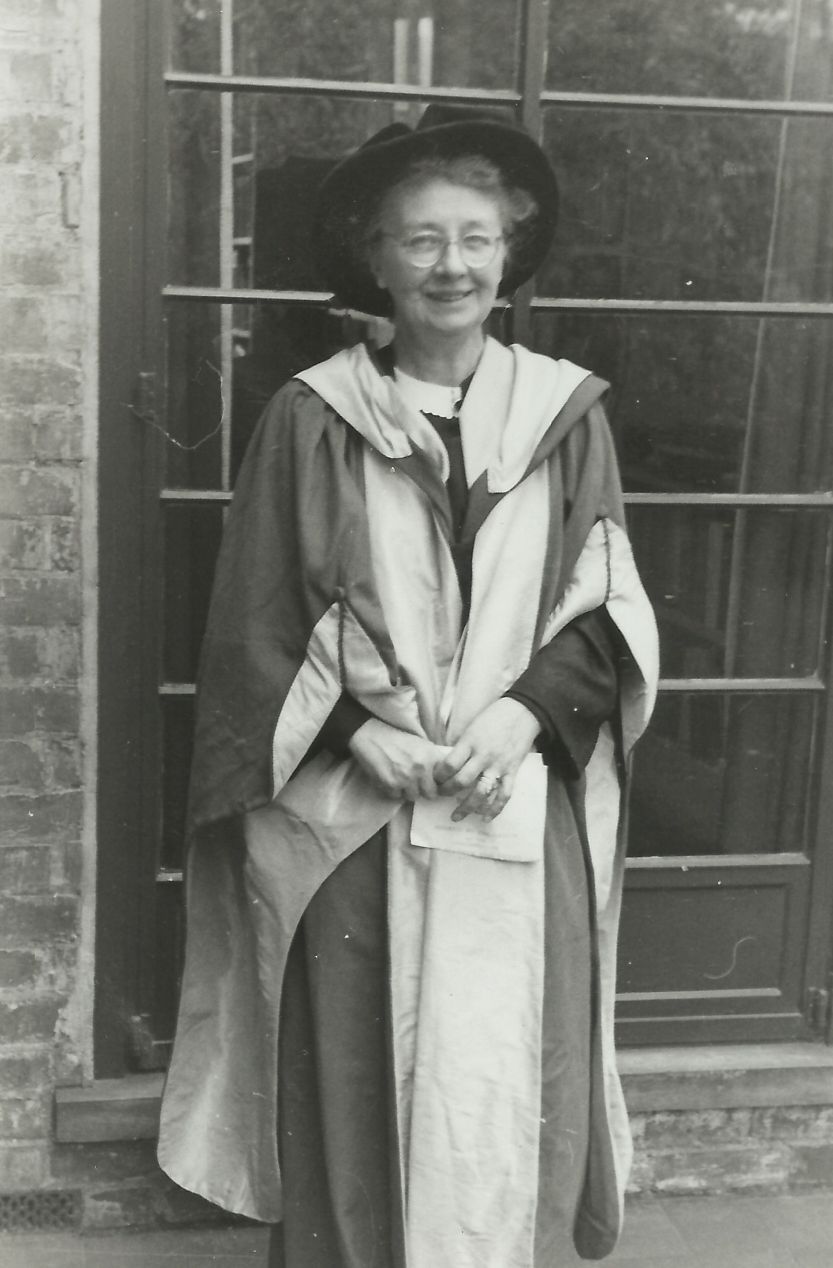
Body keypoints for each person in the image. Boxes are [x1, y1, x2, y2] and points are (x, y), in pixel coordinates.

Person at [157, 104, 659, 1268]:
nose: (451, 265)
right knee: (352, 1059)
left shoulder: (566, 416)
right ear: (376, 258)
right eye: (421, 238)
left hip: (505, 796)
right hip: (357, 818)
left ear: (510, 249)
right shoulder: (312, 415)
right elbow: (253, 617)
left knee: (506, 1059)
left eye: (475, 237)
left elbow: (606, 612)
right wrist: (347, 728)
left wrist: (520, 712)